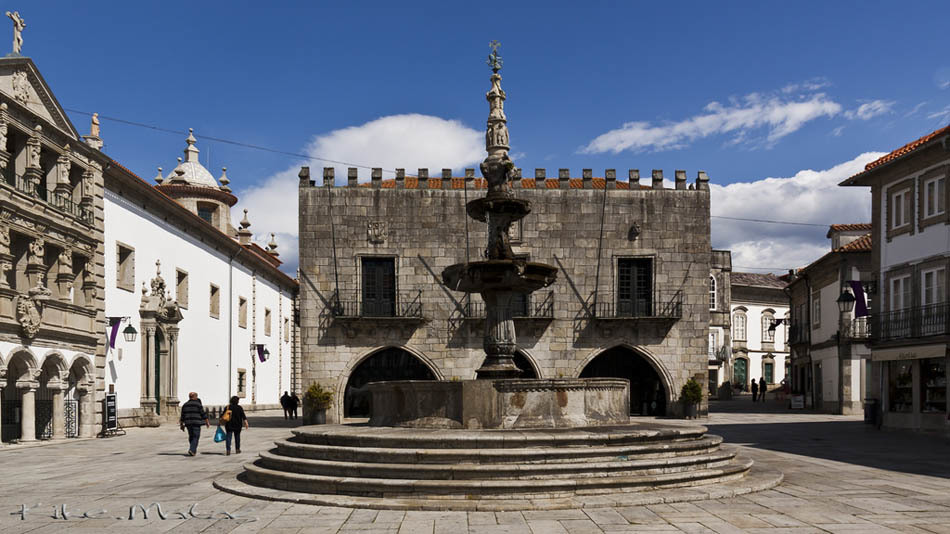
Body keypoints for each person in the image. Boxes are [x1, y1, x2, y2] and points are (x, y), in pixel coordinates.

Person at [179, 392, 210, 456]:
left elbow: (182, 416)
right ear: (195, 397)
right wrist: (207, 421)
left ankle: (193, 450)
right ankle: (192, 449)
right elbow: (203, 413)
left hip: (188, 423)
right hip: (196, 423)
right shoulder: (198, 404)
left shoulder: (185, 405)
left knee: (191, 436)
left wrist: (181, 424)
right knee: (196, 436)